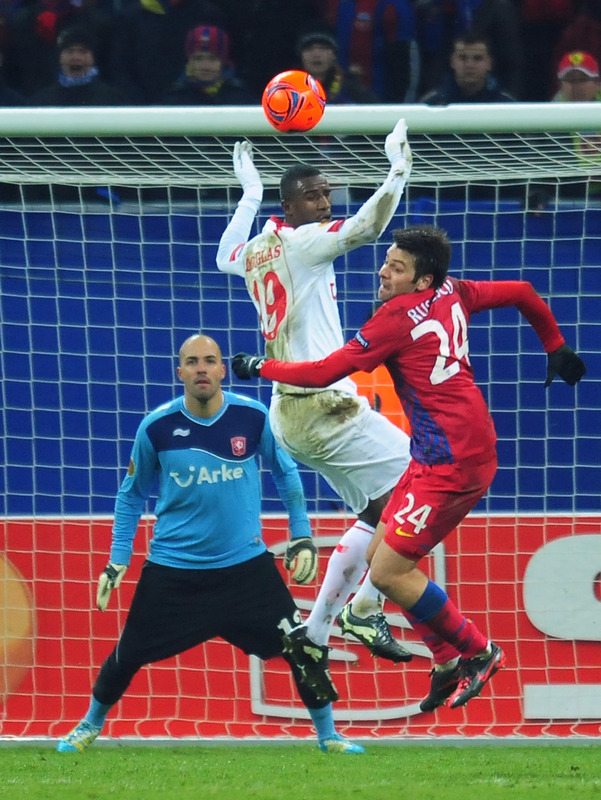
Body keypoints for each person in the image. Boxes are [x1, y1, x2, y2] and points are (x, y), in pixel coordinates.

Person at [231, 224, 586, 709]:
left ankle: (479, 651)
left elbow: (321, 374)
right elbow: (523, 291)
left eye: (396, 268)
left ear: (422, 280)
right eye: (387, 260)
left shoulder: (394, 318)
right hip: (443, 448)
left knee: (390, 573)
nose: (383, 271)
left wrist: (259, 366)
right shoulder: (454, 290)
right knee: (381, 560)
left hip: (452, 461)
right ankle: (444, 659)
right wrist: (556, 345)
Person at [55, 334, 363, 755]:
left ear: (222, 369)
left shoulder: (252, 417)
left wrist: (302, 535)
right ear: (179, 371)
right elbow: (131, 495)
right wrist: (117, 560)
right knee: (128, 654)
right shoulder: (157, 426)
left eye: (210, 361)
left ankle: (328, 737)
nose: (202, 368)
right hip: (174, 571)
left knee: (302, 644)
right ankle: (88, 726)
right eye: (193, 362)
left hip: (245, 569)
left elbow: (287, 475)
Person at [216, 122, 414, 694]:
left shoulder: (258, 249)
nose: (325, 202)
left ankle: (318, 629)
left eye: (328, 193)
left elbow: (225, 254)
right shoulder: (304, 242)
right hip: (324, 403)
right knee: (429, 483)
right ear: (291, 205)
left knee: (382, 512)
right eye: (313, 195)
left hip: (291, 412)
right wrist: (396, 171)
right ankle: (364, 606)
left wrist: (248, 195)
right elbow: (368, 226)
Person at [323, 0, 420, 102]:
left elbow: (405, 58)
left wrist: (403, 107)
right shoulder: (334, 4)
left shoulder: (392, 5)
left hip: (380, 100)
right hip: (338, 100)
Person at [28, 25, 129, 106]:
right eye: (70, 51)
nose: (76, 57)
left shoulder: (112, 99)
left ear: (93, 58)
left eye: (83, 51)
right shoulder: (42, 101)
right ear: (60, 58)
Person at [160, 25, 256, 105]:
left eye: (212, 59)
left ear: (223, 61)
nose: (205, 66)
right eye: (198, 58)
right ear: (189, 61)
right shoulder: (172, 101)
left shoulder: (242, 99)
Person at [420, 31, 516, 104]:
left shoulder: (506, 105)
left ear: (489, 64)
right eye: (462, 58)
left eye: (477, 58)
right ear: (452, 61)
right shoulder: (431, 105)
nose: (469, 65)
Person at [296, 28, 380, 104]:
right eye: (309, 49)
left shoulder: (353, 90)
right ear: (301, 56)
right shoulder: (290, 89)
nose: (316, 55)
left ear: (334, 55)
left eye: (323, 48)